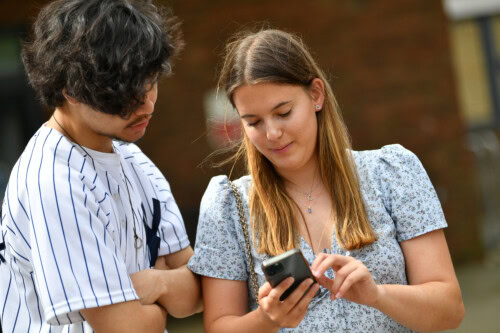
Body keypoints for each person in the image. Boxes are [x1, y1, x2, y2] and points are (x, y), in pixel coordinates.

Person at [187, 28, 465, 332]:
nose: (272, 133)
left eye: (283, 112)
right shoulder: (228, 206)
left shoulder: (392, 172)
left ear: (316, 95)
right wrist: (267, 319)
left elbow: (449, 310)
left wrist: (378, 295)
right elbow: (219, 327)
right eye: (253, 122)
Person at [0, 0, 201, 331]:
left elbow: (199, 292)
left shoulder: (135, 161)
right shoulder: (55, 180)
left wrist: (155, 284)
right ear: (71, 90)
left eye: (150, 81)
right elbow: (125, 327)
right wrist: (164, 290)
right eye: (126, 92)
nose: (147, 103)